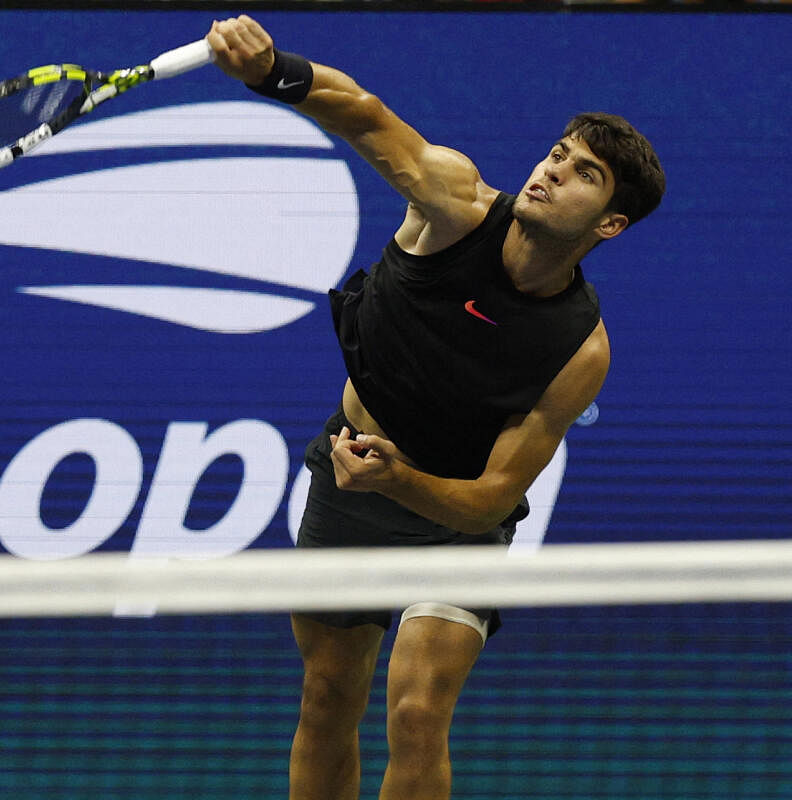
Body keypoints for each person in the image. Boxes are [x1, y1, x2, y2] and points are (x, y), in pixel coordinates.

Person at [205, 15, 665, 800]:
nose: (552, 172)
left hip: (456, 520)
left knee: (417, 714)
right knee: (327, 698)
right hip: (348, 485)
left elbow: (493, 495)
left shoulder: (580, 349)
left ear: (609, 223)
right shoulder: (452, 203)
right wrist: (272, 70)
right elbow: (365, 112)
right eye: (558, 154)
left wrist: (397, 482)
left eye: (583, 174)